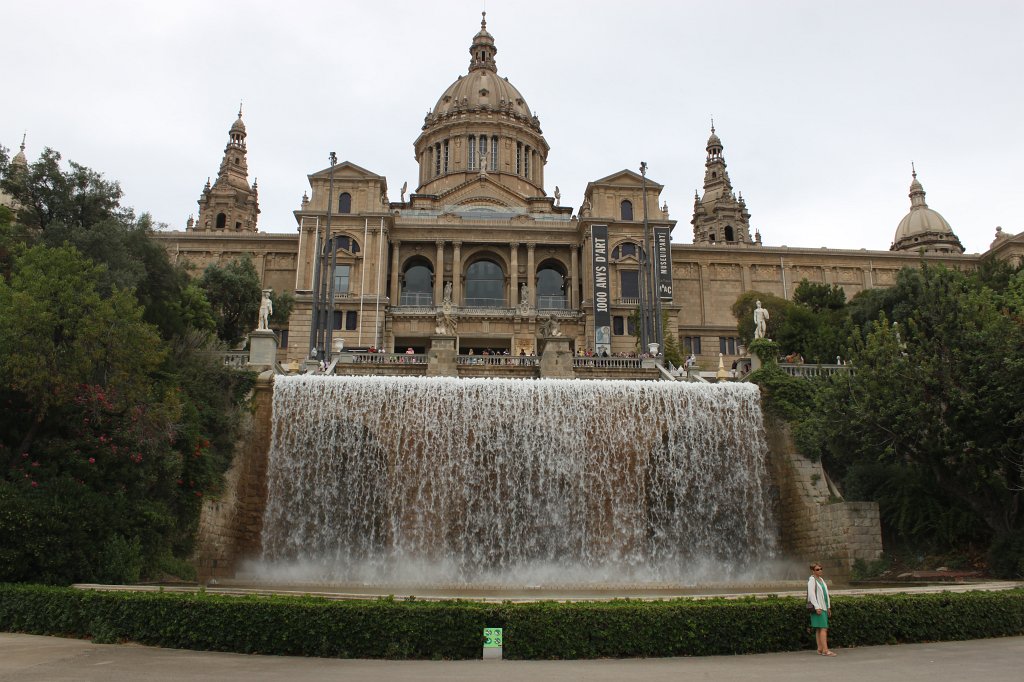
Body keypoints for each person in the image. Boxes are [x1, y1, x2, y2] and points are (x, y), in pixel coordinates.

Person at [807, 562, 835, 656]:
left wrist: (828, 607)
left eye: (821, 568)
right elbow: (811, 594)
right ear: (813, 571)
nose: (820, 571)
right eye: (817, 569)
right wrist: (817, 607)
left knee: (819, 629)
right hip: (818, 608)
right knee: (823, 628)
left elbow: (826, 594)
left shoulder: (821, 580)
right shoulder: (812, 580)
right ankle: (826, 650)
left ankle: (820, 649)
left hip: (824, 607)